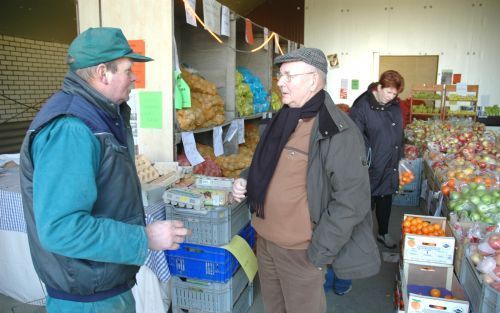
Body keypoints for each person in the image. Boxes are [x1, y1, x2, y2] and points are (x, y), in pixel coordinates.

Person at [19, 27, 189, 313]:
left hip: (101, 285)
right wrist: (144, 237)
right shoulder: (70, 129)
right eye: (127, 69)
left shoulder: (101, 114)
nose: (134, 77)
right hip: (88, 298)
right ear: (102, 73)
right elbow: (61, 229)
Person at [231, 47, 380, 313]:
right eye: (280, 75)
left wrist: (320, 250)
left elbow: (351, 201)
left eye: (288, 75)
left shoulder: (338, 131)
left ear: (313, 80)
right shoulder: (282, 119)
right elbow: (266, 165)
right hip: (265, 242)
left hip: (301, 252)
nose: (279, 82)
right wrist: (245, 179)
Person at [349, 70, 405, 249]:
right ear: (379, 87)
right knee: (365, 205)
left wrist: (403, 148)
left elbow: (397, 131)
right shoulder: (362, 106)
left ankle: (383, 233)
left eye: (394, 94)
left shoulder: (395, 105)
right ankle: (358, 240)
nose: (391, 97)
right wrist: (364, 163)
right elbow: (354, 138)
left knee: (385, 200)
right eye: (388, 92)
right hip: (370, 166)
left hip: (390, 163)